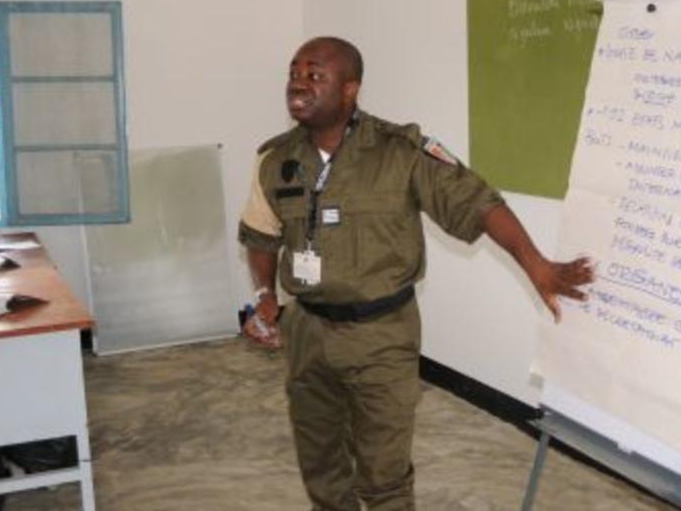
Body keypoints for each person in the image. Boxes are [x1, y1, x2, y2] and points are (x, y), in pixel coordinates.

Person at [238, 36, 593, 511]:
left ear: (350, 89)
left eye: (314, 75)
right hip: (307, 331)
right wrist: (265, 295)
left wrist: (537, 265)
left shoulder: (400, 150)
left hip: (381, 333)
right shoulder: (274, 159)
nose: (298, 84)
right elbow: (261, 236)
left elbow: (479, 203)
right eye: (294, 73)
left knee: (383, 473)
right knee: (319, 462)